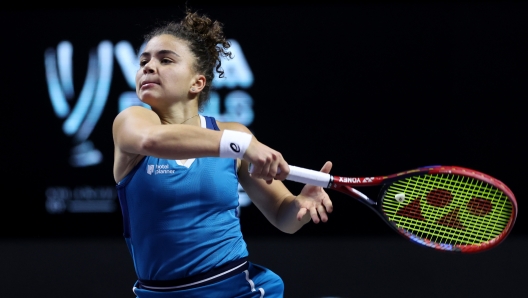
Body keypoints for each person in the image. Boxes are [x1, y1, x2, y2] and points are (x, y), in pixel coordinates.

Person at [112, 8, 333, 297]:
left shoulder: (234, 132)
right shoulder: (131, 122)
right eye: (144, 61)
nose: (148, 67)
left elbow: (283, 215)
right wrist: (242, 145)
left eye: (165, 60)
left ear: (197, 82)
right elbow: (152, 140)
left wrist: (300, 206)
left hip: (236, 289)